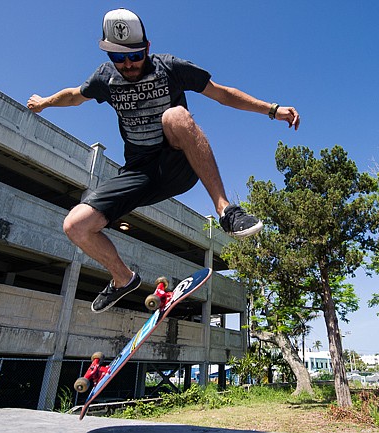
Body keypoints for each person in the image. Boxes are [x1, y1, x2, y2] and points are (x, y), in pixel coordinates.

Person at [27, 8, 300, 314]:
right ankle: (123, 279)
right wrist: (45, 102)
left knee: (176, 115)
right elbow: (74, 95)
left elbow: (222, 94)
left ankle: (226, 211)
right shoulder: (105, 78)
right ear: (108, 55)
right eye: (119, 58)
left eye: (135, 55)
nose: (128, 64)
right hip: (139, 171)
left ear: (147, 47)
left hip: (177, 162)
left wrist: (271, 109)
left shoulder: (170, 67)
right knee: (75, 225)